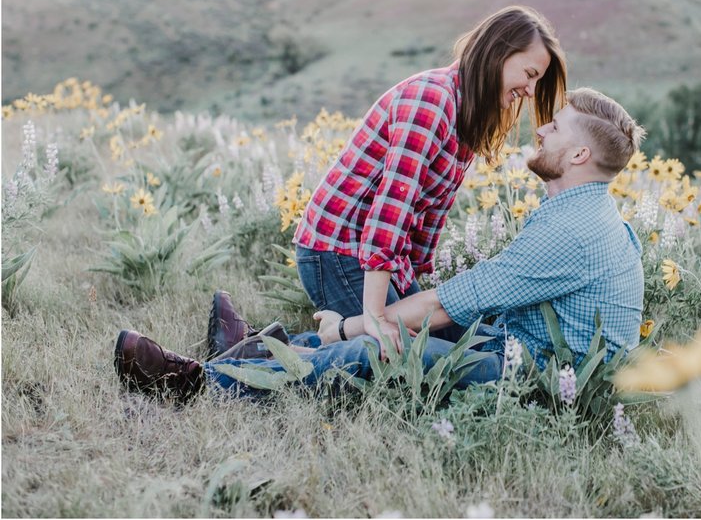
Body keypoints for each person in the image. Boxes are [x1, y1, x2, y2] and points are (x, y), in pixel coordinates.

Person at [114, 88, 646, 402]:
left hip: (543, 381)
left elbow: (447, 301)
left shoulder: (570, 232)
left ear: (578, 156)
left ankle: (202, 383)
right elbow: (472, 299)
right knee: (419, 324)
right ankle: (258, 349)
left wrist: (353, 323)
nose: (540, 131)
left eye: (554, 128)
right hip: (523, 344)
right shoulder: (588, 213)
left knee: (379, 347)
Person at [293, 6, 567, 354]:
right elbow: (392, 208)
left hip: (377, 256)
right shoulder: (432, 99)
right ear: (498, 53)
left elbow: (432, 213)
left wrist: (413, 284)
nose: (530, 90)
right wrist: (375, 316)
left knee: (455, 342)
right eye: (529, 74)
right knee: (393, 352)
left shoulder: (468, 112)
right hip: (338, 250)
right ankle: (262, 354)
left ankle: (299, 341)